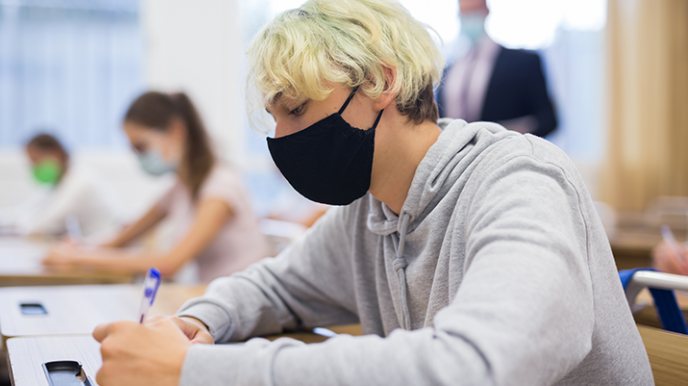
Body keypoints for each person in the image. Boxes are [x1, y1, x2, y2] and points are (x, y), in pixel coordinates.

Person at [92, 1, 652, 385]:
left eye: (295, 110)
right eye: (274, 117)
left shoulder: (520, 181)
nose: (282, 139)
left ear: (381, 83)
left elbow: (478, 366)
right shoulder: (374, 209)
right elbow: (278, 286)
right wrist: (199, 323)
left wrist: (192, 372)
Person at [43, 91, 269, 283]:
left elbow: (170, 264)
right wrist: (80, 247)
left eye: (141, 147)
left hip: (245, 308)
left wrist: (78, 257)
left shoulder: (222, 187)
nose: (139, 157)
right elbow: (119, 240)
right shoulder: (180, 190)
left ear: (176, 130)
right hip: (213, 299)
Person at [436, 0, 558, 137]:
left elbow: (547, 120)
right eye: (464, 13)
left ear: (486, 11)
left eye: (474, 11)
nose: (469, 18)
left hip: (507, 153)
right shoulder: (449, 71)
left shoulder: (523, 63)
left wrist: (508, 133)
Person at [0, 133, 121, 238]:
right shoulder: (63, 180)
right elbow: (32, 209)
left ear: (56, 154)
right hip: (92, 249)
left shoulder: (81, 182)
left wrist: (4, 226)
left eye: (36, 162)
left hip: (105, 253)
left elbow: (40, 226)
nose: (34, 168)